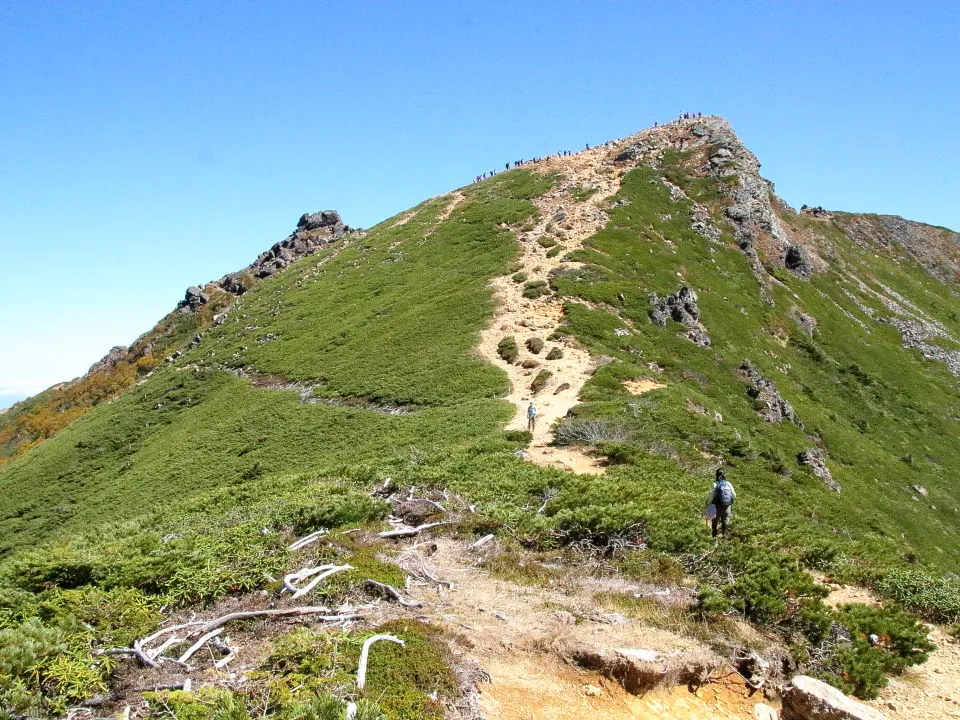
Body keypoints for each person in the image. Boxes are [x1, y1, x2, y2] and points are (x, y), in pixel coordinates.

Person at [707, 468, 736, 537]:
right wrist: (729, 501)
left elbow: (711, 495)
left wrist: (709, 503)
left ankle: (714, 535)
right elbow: (734, 495)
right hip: (727, 505)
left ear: (716, 475)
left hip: (717, 505)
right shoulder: (728, 483)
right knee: (725, 520)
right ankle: (724, 535)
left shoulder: (715, 484)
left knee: (715, 521)